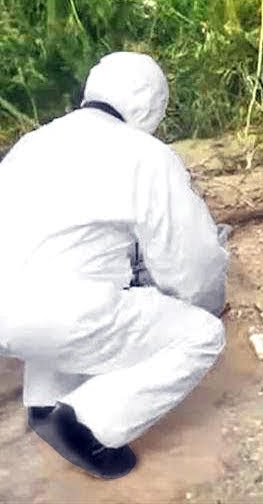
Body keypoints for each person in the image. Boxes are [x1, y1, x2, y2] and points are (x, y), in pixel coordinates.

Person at [0, 51, 228, 480]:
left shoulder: (32, 143)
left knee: (66, 284)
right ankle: (88, 425)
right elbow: (191, 262)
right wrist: (206, 304)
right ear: (151, 105)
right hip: (61, 315)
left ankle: (45, 403)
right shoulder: (145, 153)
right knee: (199, 337)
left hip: (5, 317)